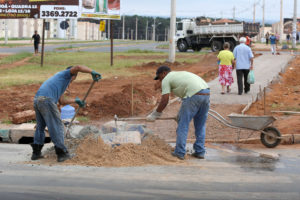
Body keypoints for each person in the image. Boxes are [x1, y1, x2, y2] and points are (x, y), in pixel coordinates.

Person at [31, 66, 101, 162]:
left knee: (40, 127)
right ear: (73, 76)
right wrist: (92, 72)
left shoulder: (59, 81)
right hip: (47, 100)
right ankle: (62, 153)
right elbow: (78, 67)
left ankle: (36, 153)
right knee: (57, 126)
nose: (71, 82)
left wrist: (76, 101)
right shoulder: (66, 74)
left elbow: (62, 101)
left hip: (37, 99)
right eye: (73, 79)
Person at [146, 66, 210, 160]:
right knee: (200, 125)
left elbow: (165, 100)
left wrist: (155, 114)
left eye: (159, 78)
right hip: (206, 93)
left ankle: (179, 152)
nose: (160, 81)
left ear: (164, 73)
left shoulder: (166, 79)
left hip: (193, 94)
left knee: (183, 125)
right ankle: (200, 152)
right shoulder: (178, 74)